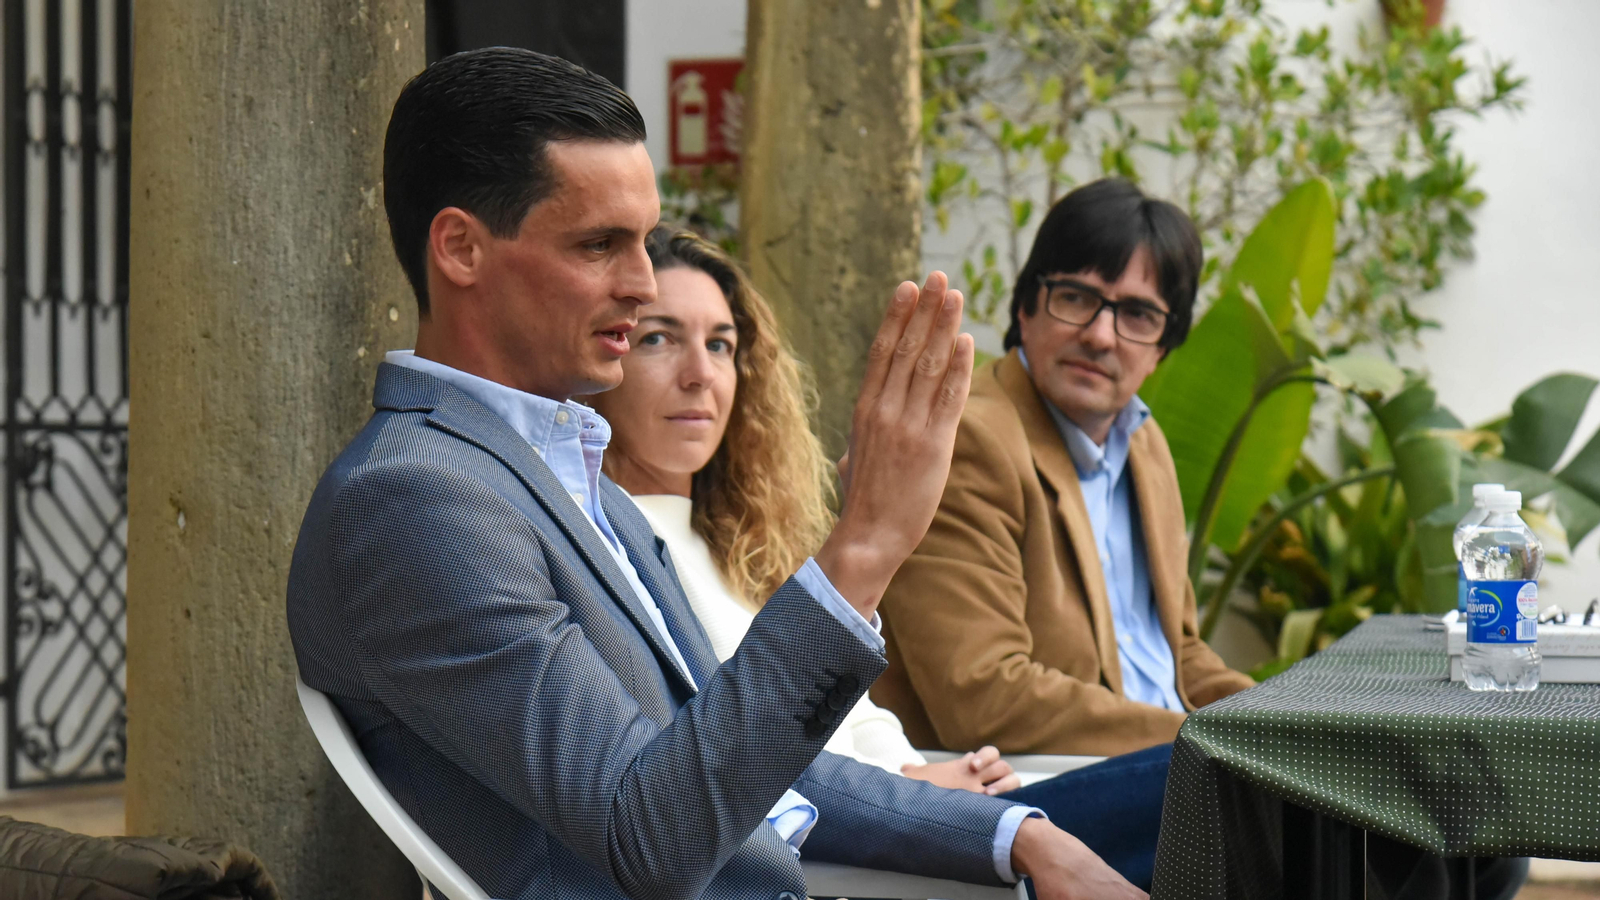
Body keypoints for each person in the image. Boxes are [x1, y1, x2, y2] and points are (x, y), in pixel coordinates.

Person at [286, 48, 1142, 900]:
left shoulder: (569, 482)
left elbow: (753, 770)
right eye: (600, 245)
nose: (641, 283)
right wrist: (864, 548)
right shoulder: (413, 498)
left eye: (642, 241)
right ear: (461, 249)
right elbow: (650, 835)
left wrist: (1020, 836)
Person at [586, 223, 1176, 886]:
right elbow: (730, 751)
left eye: (721, 345)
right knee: (1206, 779)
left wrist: (915, 771)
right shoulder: (609, 542)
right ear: (609, 355)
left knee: (1218, 786)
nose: (700, 375)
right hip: (867, 850)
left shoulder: (743, 541)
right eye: (658, 339)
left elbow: (859, 715)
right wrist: (920, 791)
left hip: (927, 813)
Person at [873, 178, 1253, 759]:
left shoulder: (1143, 443)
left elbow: (1176, 655)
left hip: (1163, 762)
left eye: (1137, 314)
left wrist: (1277, 723)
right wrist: (1209, 744)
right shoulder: (968, 441)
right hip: (1031, 783)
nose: (1100, 336)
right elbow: (984, 698)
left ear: (1162, 348)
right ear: (1026, 306)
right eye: (1076, 297)